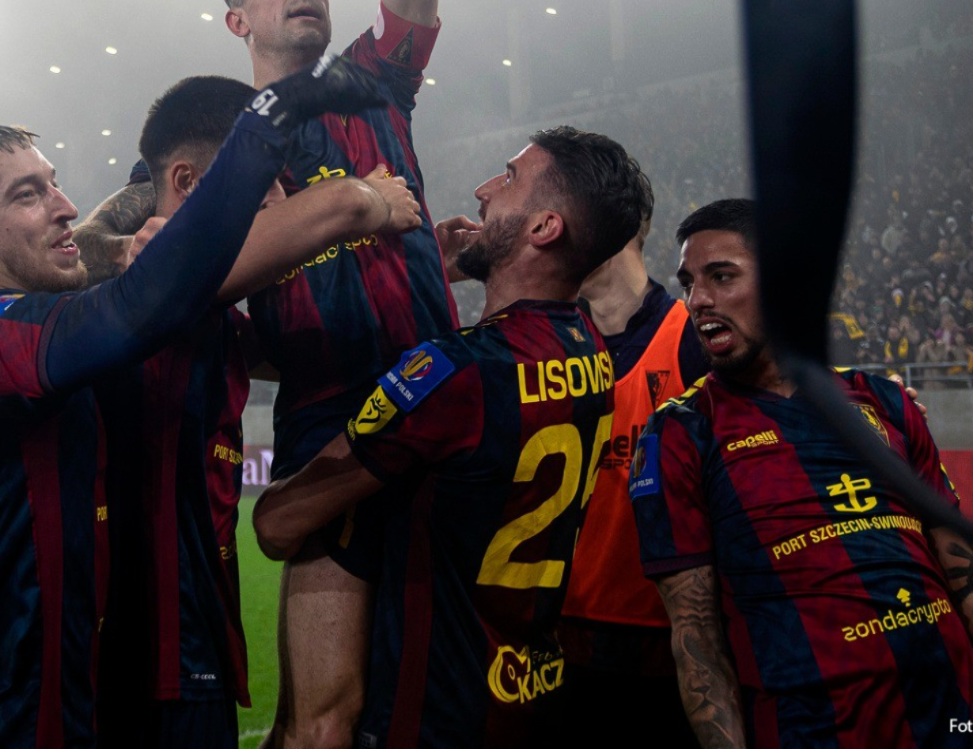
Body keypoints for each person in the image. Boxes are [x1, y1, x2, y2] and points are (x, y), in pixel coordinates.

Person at [74, 0, 453, 745]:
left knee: (448, 692)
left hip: (440, 391)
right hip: (325, 418)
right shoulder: (214, 148)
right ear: (238, 17)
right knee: (324, 717)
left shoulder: (376, 85)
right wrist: (137, 242)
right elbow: (93, 247)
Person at [0, 61, 382, 748]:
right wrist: (275, 112)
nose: (64, 206)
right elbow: (142, 307)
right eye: (28, 195)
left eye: (53, 182)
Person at [632, 199, 973, 747]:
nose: (697, 300)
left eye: (721, 276)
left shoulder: (886, 403)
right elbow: (699, 646)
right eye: (689, 283)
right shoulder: (679, 434)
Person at [253, 128, 648, 746]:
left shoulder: (457, 374)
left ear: (545, 227)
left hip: (434, 718)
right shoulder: (592, 351)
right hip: (527, 696)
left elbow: (275, 527)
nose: (484, 191)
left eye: (509, 178)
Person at [96, 75, 422, 748]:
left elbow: (291, 343)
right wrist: (369, 200)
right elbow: (333, 208)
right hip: (153, 650)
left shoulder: (212, 316)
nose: (278, 197)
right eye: (264, 181)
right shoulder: (151, 287)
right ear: (188, 184)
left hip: (198, 632)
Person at [552, 173, 706, 746]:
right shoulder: (541, 346)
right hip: (552, 648)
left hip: (669, 655)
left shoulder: (693, 339)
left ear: (613, 224)